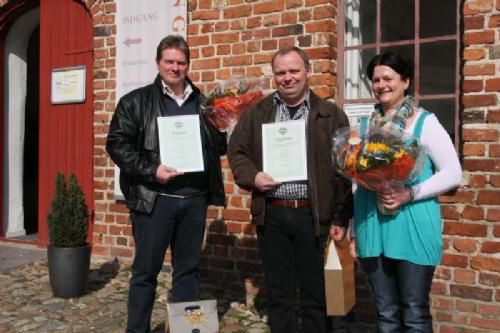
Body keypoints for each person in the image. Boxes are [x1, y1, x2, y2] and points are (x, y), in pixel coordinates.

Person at [227, 46, 353, 333]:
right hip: (272, 215)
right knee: (278, 293)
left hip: (313, 214)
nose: (288, 78)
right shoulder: (258, 112)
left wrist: (340, 218)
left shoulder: (330, 115)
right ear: (274, 77)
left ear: (307, 71)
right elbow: (237, 152)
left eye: (294, 71)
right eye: (281, 73)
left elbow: (343, 172)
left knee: (315, 294)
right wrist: (253, 177)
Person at [106, 35, 226, 333]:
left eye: (181, 62)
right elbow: (117, 145)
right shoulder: (135, 101)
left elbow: (217, 149)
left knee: (187, 271)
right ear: (158, 63)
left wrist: (225, 125)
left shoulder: (204, 104)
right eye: (169, 61)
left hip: (194, 198)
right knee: (146, 272)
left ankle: (186, 329)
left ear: (188, 65)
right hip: (155, 199)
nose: (175, 67)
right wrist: (151, 170)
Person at [351, 51, 462, 332]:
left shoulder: (425, 123)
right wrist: (353, 229)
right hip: (372, 223)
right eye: (375, 80)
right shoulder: (364, 127)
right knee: (385, 312)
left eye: (388, 78)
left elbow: (452, 172)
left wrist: (409, 193)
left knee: (414, 312)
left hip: (412, 222)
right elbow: (355, 180)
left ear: (405, 81)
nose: (381, 85)